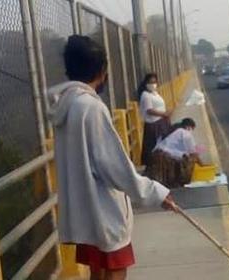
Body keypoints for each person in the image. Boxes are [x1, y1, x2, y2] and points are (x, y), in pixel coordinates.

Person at [47, 35, 177, 280]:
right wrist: (156, 193)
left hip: (84, 209)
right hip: (104, 208)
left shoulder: (66, 106)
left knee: (98, 270)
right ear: (102, 70)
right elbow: (115, 167)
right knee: (116, 267)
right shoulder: (91, 107)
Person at [147, 118, 206, 189]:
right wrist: (203, 166)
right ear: (189, 127)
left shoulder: (176, 131)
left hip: (156, 154)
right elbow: (193, 154)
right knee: (190, 160)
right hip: (165, 157)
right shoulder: (186, 134)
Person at [138, 73, 171, 166]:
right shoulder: (145, 95)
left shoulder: (155, 93)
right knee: (153, 147)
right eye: (150, 82)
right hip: (153, 124)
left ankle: (161, 164)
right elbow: (149, 110)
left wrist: (166, 114)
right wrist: (163, 114)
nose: (153, 84)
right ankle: (153, 166)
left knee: (162, 146)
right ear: (146, 83)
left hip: (161, 122)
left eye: (154, 82)